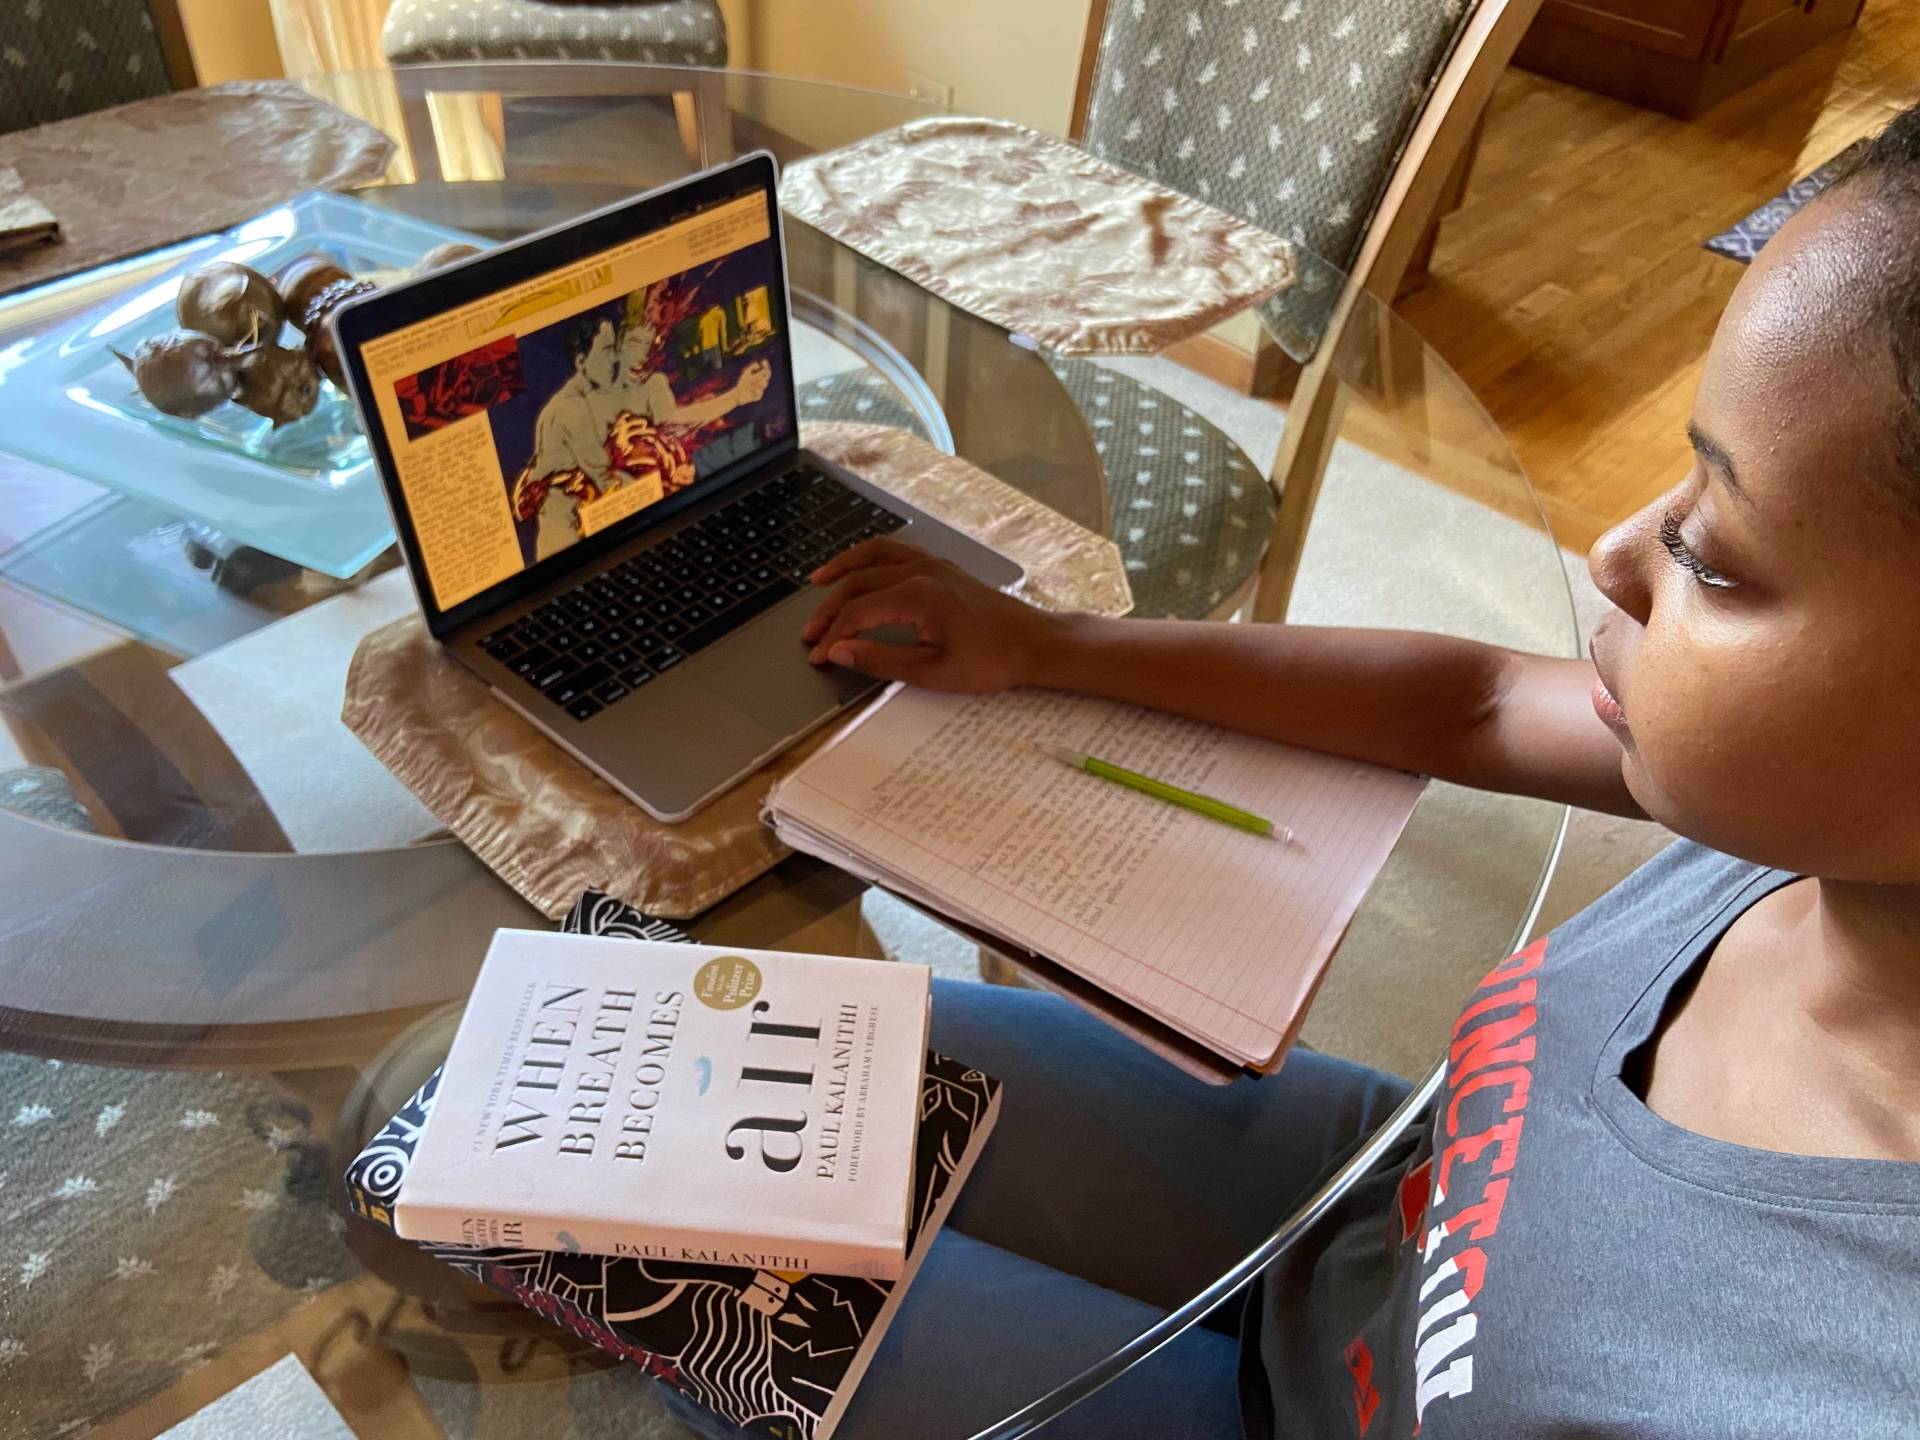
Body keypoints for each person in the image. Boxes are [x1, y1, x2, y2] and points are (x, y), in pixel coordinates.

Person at [677, 107, 1920, 1438]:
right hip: (1384, 1204)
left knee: (664, 1274)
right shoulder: (1813, 814)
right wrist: (1049, 645)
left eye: (1718, 556)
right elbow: (1478, 703)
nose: (1617, 554)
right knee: (707, 1078)